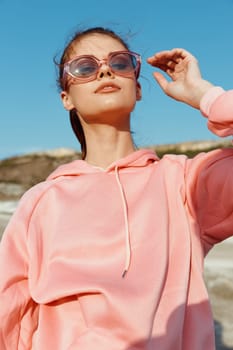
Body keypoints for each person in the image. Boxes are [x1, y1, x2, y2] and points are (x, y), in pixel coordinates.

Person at [0, 26, 232, 350]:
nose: (105, 69)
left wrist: (206, 94)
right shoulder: (40, 203)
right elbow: (10, 318)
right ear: (66, 98)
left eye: (120, 63)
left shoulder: (184, 184)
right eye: (85, 67)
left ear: (137, 89)